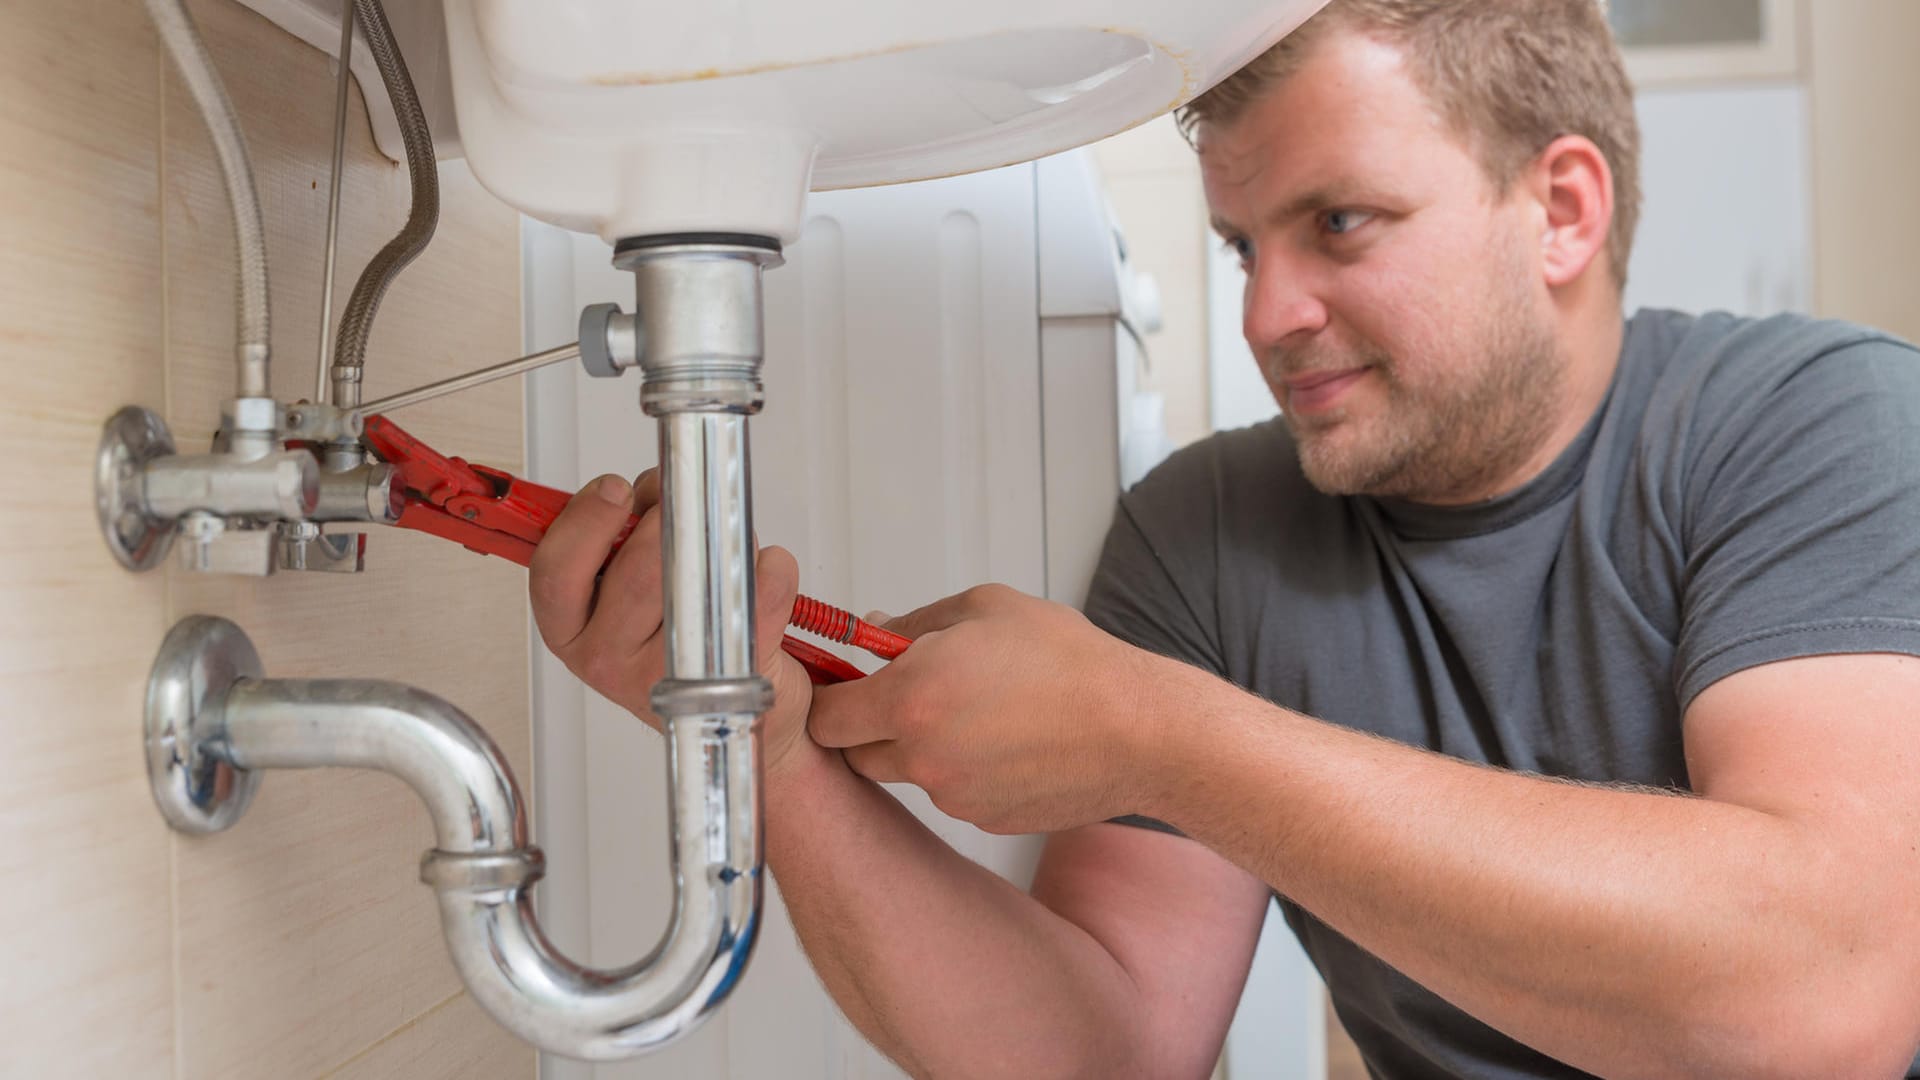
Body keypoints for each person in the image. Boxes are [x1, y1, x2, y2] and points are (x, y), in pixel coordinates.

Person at [529, 0, 1920, 1075]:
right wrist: (768, 744)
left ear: (1560, 210)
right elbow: (1106, 1048)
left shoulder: (1824, 423)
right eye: (1246, 246)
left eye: (1340, 224)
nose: (1266, 315)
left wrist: (1163, 735)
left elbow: (1823, 1002)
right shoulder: (1205, 530)